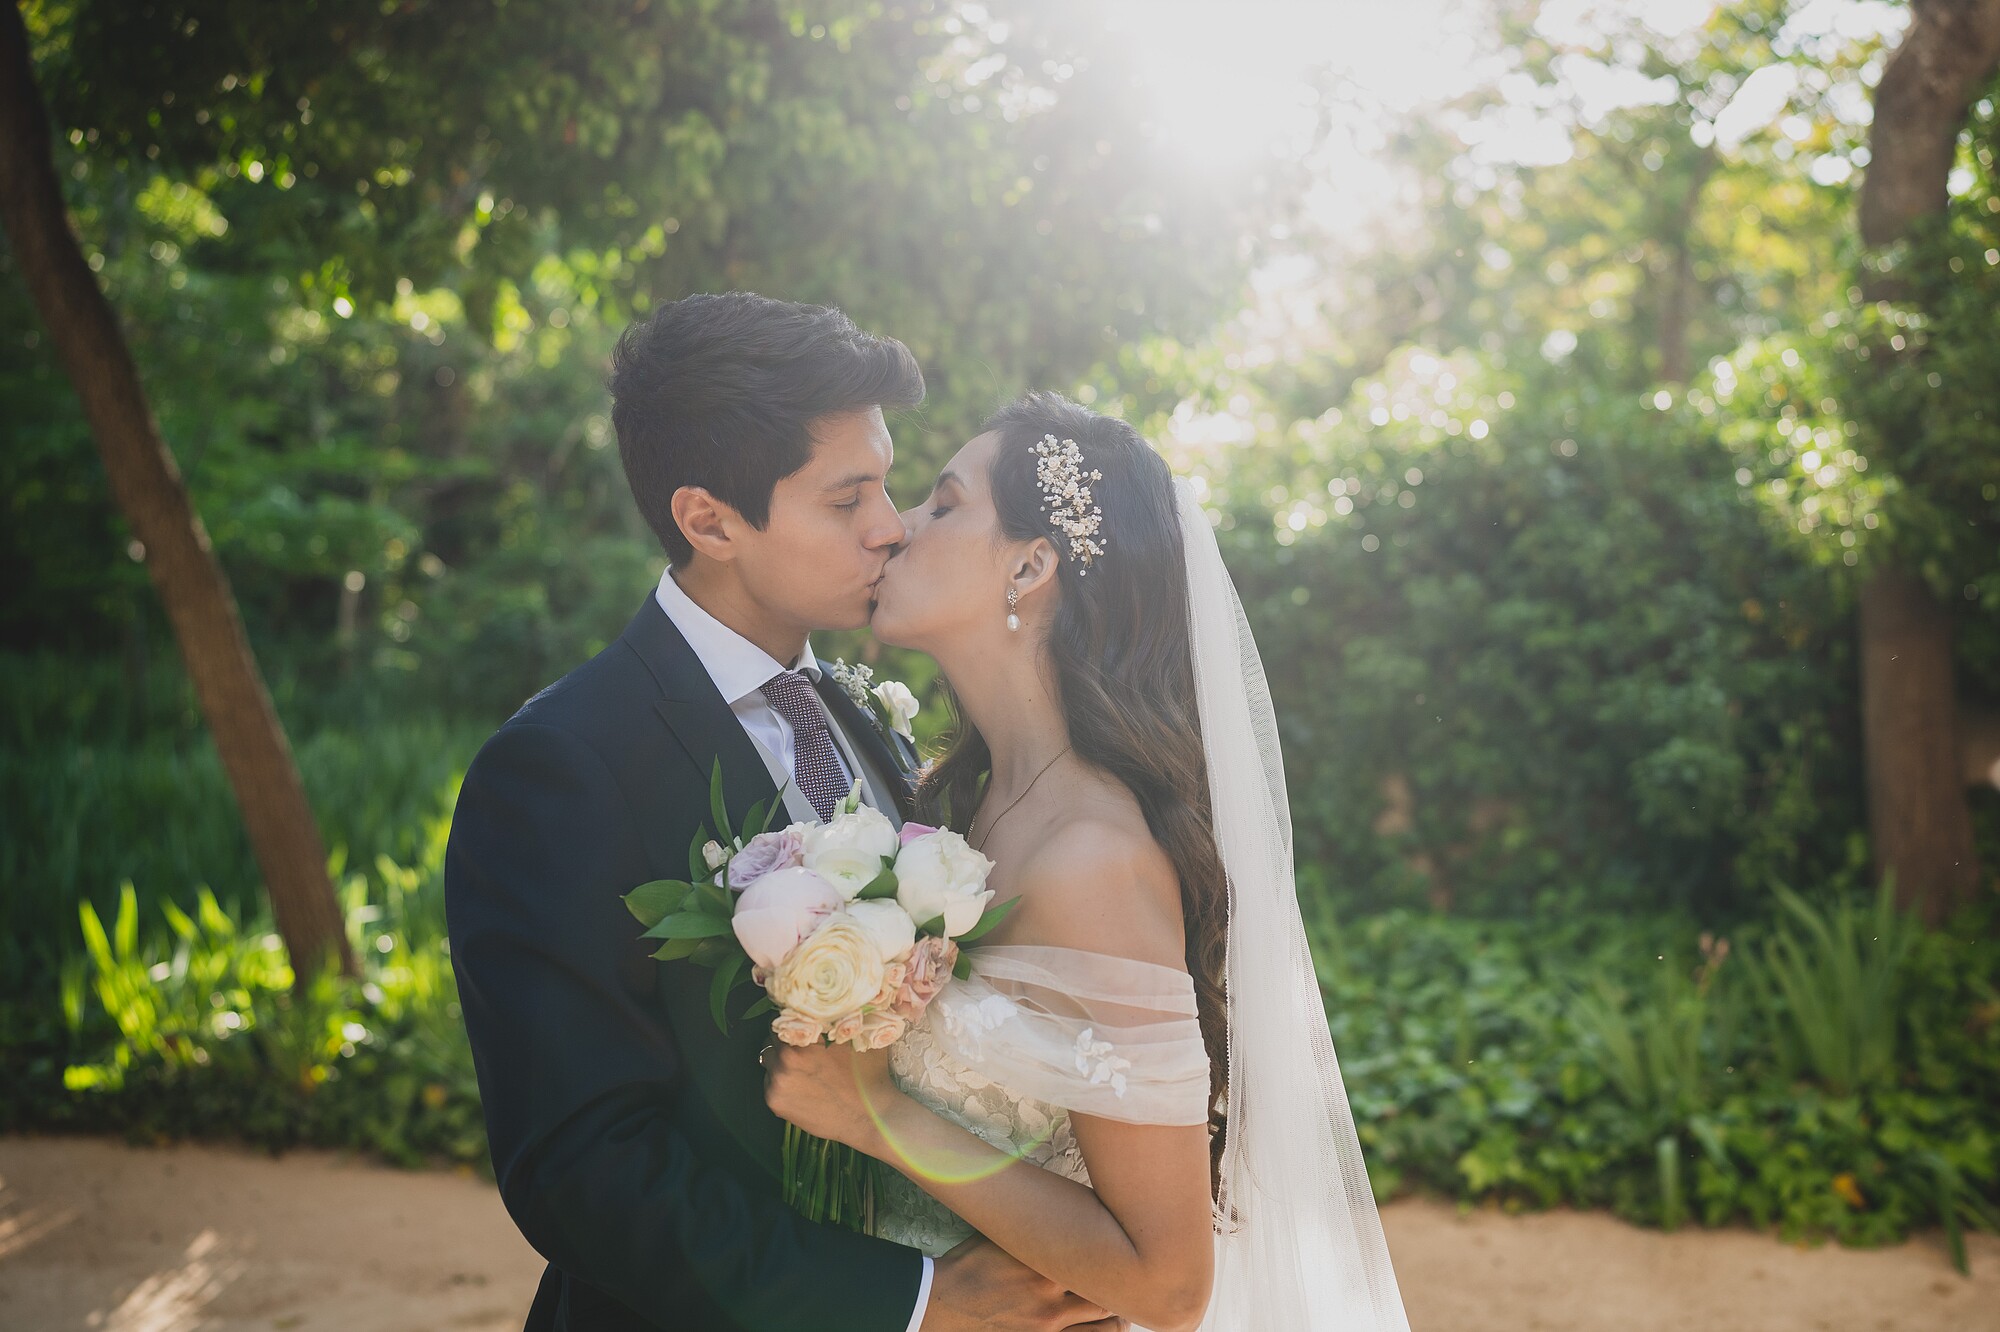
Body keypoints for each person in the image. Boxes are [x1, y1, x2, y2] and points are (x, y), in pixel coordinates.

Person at [445, 295, 1120, 1332]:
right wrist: (914, 1305)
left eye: (890, 486)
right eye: (846, 499)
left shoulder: (867, 712)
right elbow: (581, 1168)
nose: (889, 527)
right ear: (707, 519)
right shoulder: (560, 767)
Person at [763, 392, 1413, 1331]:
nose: (896, 528)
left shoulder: (1093, 860)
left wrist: (877, 1119)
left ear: (1030, 566)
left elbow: (1171, 1286)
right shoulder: (958, 807)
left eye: (943, 505)